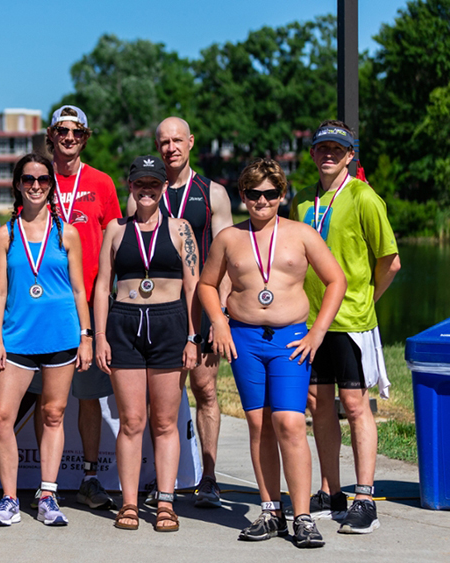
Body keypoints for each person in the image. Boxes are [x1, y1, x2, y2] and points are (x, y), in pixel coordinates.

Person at [200, 159, 346, 548]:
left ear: (281, 196)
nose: (261, 201)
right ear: (243, 196)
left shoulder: (301, 234)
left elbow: (336, 280)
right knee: (259, 425)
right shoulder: (229, 238)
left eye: (269, 193)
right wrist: (218, 322)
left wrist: (317, 333)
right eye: (253, 194)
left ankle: (302, 516)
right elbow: (206, 284)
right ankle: (270, 511)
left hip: (290, 340)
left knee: (291, 423)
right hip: (245, 339)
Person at [290, 121, 401, 534]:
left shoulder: (364, 197)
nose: (329, 155)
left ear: (351, 154)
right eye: (322, 149)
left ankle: (364, 498)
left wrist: (364, 301)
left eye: (338, 149)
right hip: (308, 321)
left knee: (355, 406)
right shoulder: (302, 202)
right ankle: (331, 491)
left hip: (350, 321)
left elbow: (390, 261)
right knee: (318, 406)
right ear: (314, 154)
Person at [128, 116, 233, 508]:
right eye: (163, 142)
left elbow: (227, 257)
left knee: (205, 389)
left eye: (177, 140)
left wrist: (218, 312)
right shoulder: (143, 189)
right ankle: (161, 478)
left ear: (190, 142)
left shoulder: (213, 193)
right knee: (162, 400)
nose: (170, 147)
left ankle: (208, 477)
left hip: (201, 306)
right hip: (156, 310)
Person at [93, 155, 199, 533]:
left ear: (163, 187)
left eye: (154, 183)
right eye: (141, 184)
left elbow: (193, 288)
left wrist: (192, 337)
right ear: (131, 186)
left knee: (165, 421)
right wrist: (100, 336)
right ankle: (130, 502)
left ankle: (167, 502)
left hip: (169, 323)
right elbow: (102, 286)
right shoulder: (117, 230)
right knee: (132, 420)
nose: (148, 190)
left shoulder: (181, 229)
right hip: (124, 323)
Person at [0, 153, 92, 527]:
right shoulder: (6, 233)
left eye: (43, 180)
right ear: (17, 184)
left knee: (53, 414)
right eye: (28, 179)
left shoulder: (67, 232)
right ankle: (10, 498)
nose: (36, 186)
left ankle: (47, 495)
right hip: (16, 338)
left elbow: (80, 288)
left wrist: (86, 336)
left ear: (52, 185)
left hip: (61, 335)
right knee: (1, 416)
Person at [28, 105, 121, 511]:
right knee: (41, 398)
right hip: (42, 305)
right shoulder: (36, 179)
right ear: (51, 135)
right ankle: (42, 480)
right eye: (62, 131)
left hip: (86, 304)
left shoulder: (101, 182)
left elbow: (114, 238)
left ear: (85, 137)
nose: (68, 138)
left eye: (76, 132)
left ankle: (89, 476)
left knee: (88, 396)